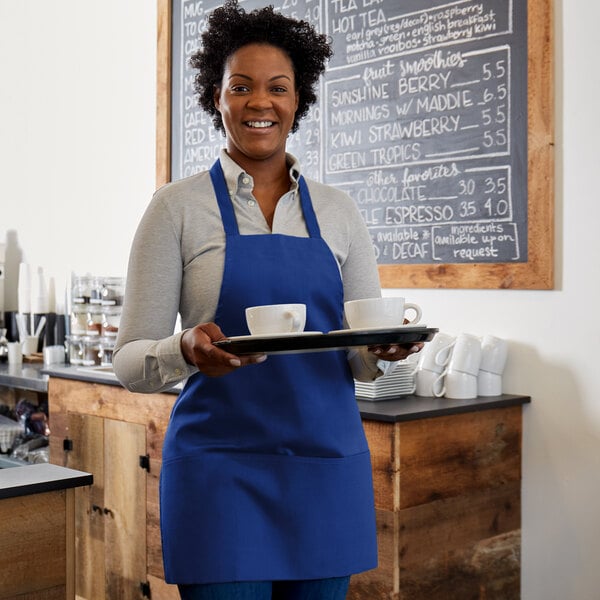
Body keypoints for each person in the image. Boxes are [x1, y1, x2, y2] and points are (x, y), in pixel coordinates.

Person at [113, 2, 422, 598]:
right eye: (241, 87)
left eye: (278, 88)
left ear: (298, 100)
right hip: (220, 469)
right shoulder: (175, 209)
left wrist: (383, 350)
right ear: (217, 97)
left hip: (325, 469)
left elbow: (355, 356)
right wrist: (184, 349)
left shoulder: (339, 212)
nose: (261, 103)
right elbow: (129, 362)